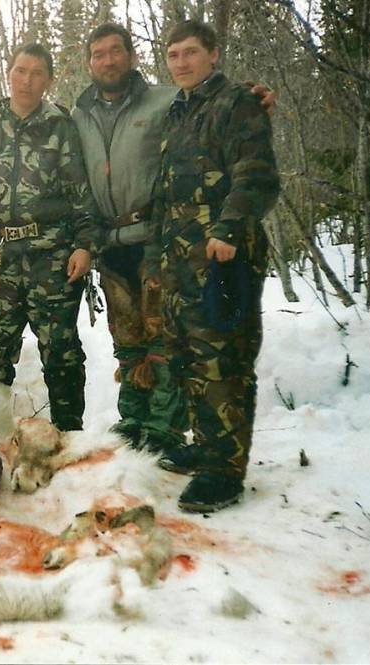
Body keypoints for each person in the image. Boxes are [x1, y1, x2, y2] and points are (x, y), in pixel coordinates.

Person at [72, 22, 275, 472]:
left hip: (166, 239)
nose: (107, 60)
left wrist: (252, 97)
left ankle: (168, 428)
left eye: (115, 51)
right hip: (115, 240)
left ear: (130, 55)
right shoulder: (79, 113)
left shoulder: (166, 101)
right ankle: (137, 419)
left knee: (172, 340)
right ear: (89, 62)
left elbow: (228, 125)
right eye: (98, 54)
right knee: (130, 340)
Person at [145, 20, 280, 513]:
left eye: (190, 53)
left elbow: (257, 176)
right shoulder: (177, 113)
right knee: (187, 360)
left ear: (213, 55)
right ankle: (206, 444)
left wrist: (227, 231)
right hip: (180, 263)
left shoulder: (235, 105)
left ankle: (224, 470)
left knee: (223, 362)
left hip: (224, 262)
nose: (181, 62)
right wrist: (155, 260)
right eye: (173, 54)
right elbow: (165, 195)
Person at [0, 43, 104, 433]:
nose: (26, 81)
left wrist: (85, 245)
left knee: (61, 352)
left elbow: (81, 193)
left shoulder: (62, 128)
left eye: (36, 73)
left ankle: (69, 436)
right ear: (8, 74)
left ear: (48, 80)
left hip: (52, 256)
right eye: (20, 71)